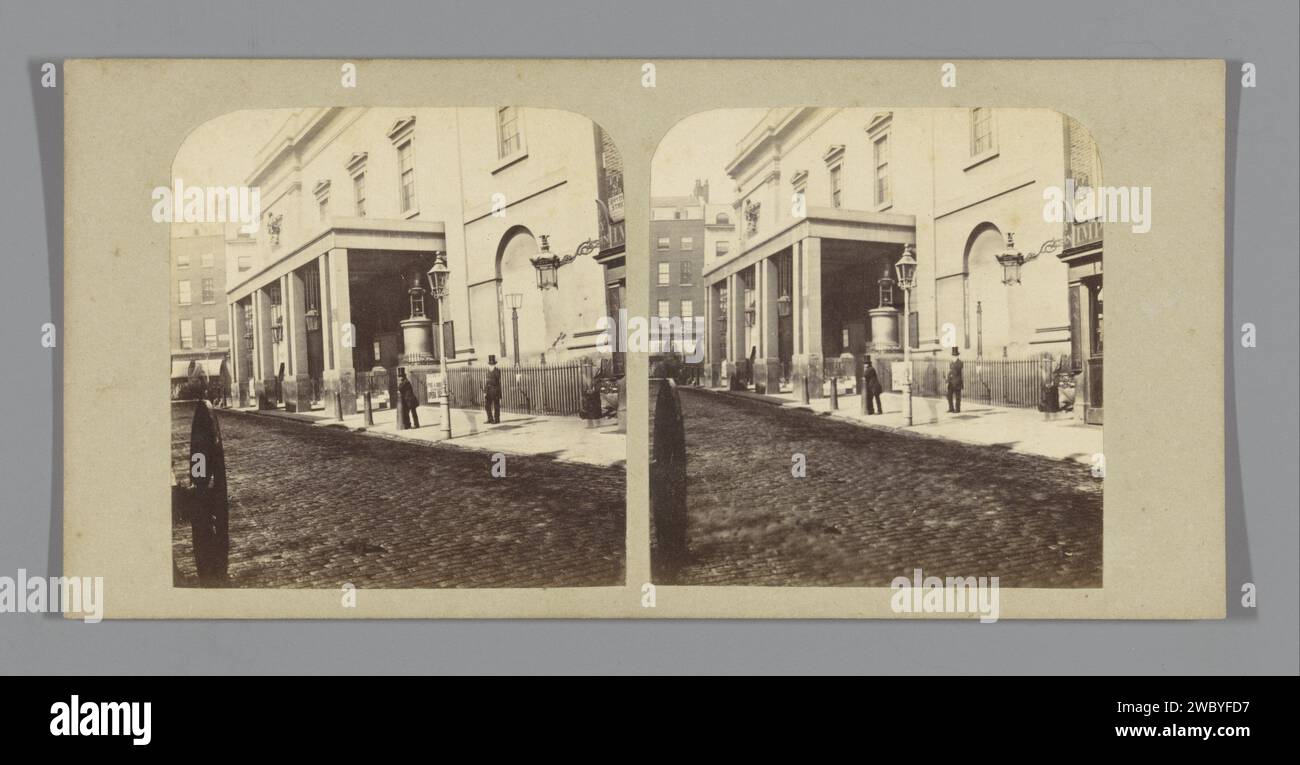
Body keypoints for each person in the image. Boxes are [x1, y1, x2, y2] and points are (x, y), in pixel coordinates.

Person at [483, 355, 502, 424]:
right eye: (490, 364)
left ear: (494, 364)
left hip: (495, 390)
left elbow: (496, 381)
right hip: (488, 391)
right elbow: (486, 382)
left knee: (496, 405)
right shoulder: (487, 371)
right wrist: (485, 391)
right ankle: (490, 419)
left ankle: (497, 419)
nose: (491, 365)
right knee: (487, 406)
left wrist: (490, 379)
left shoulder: (497, 371)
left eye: (492, 364)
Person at [946, 346, 964, 413]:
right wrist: (947, 379)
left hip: (957, 382)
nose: (954, 356)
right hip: (951, 382)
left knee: (957, 396)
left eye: (955, 355)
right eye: (953, 355)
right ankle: (951, 408)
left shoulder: (960, 363)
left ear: (957, 356)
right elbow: (950, 372)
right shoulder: (951, 363)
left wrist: (952, 365)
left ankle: (957, 409)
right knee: (949, 395)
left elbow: (956, 371)